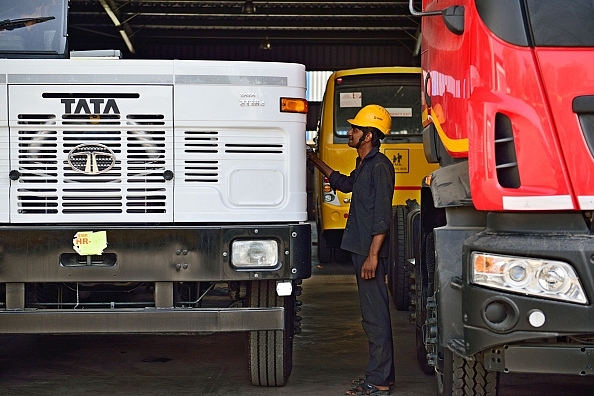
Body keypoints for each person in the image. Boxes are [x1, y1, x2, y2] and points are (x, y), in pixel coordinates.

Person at [307, 104, 395, 396]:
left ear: (368, 135)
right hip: (361, 247)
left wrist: (372, 255)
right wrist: (316, 161)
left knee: (375, 315)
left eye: (356, 129)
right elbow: (344, 185)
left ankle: (379, 379)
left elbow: (382, 216)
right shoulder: (365, 165)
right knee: (372, 313)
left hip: (369, 251)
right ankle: (383, 375)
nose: (351, 132)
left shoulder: (380, 167)